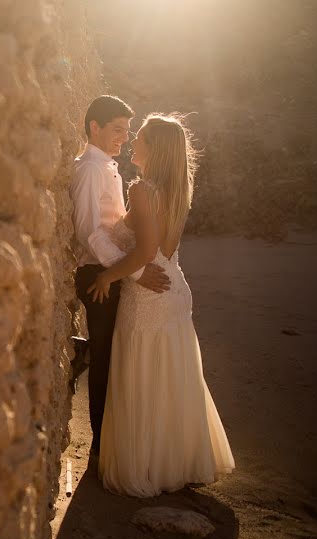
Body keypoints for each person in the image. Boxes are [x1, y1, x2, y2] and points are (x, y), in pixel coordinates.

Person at [87, 113, 235, 497]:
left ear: (154, 149)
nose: (133, 141)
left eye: (141, 138)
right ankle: (173, 461)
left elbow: (145, 252)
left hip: (148, 294)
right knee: (169, 374)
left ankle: (146, 465)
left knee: (142, 372)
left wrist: (107, 276)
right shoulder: (174, 190)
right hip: (173, 290)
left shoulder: (143, 190)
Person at [71, 95, 170, 457]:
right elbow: (90, 233)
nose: (124, 138)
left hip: (110, 271)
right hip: (98, 273)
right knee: (106, 360)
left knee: (113, 356)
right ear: (94, 127)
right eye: (117, 129)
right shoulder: (90, 170)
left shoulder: (107, 166)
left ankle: (110, 441)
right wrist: (134, 271)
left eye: (128, 131)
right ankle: (101, 449)